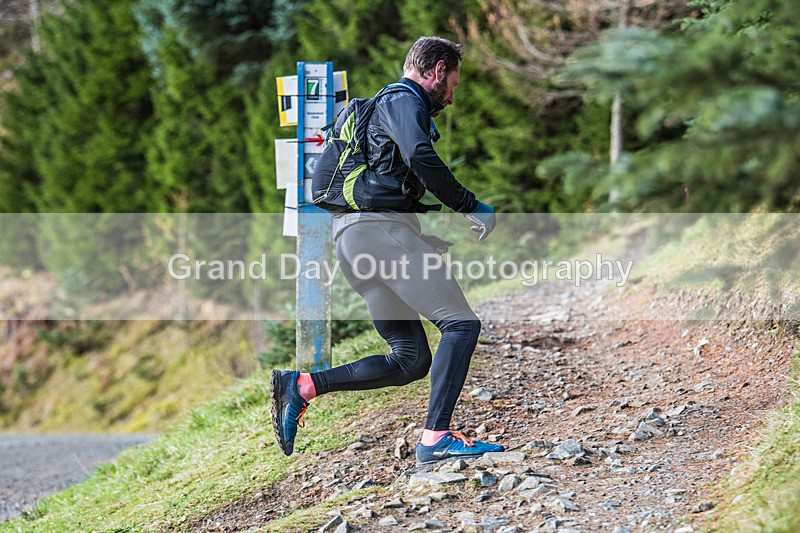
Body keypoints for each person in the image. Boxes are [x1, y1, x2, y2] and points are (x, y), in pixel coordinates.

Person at [271, 36, 501, 464]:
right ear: (435, 70)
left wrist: (414, 236)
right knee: (461, 325)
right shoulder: (403, 98)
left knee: (410, 359)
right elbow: (418, 155)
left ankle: (302, 386)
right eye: (452, 82)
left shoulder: (385, 107)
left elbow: (390, 172)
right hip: (378, 233)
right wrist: (470, 204)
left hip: (354, 240)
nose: (451, 96)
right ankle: (436, 439)